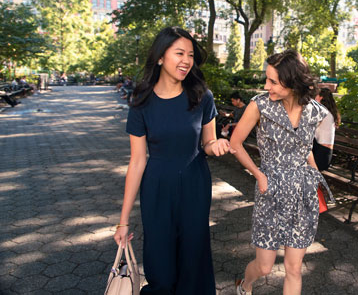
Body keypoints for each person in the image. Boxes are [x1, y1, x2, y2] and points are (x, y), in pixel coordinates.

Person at [113, 26, 233, 294]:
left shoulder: (202, 96)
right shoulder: (141, 101)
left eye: (190, 55)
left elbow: (208, 143)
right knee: (161, 271)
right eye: (179, 53)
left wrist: (219, 145)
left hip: (195, 186)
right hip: (156, 190)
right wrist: (123, 221)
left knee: (193, 264)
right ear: (160, 57)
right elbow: (136, 161)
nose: (186, 61)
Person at [230, 49, 334, 295]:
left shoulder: (316, 112)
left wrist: (315, 179)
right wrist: (259, 175)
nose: (267, 86)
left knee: (294, 268)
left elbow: (306, 147)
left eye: (273, 81)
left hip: (302, 193)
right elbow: (235, 144)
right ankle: (245, 285)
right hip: (271, 190)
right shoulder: (260, 105)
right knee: (265, 267)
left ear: (293, 81)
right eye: (267, 79)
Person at [312, 88, 340, 172]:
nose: (314, 98)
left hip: (321, 156)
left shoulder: (323, 112)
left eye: (315, 96)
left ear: (320, 97)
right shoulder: (329, 112)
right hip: (325, 153)